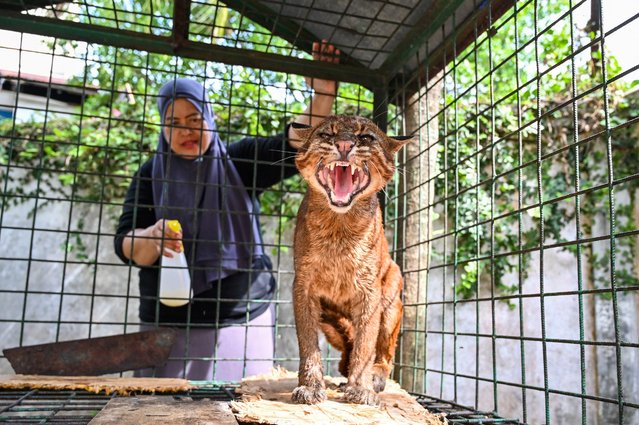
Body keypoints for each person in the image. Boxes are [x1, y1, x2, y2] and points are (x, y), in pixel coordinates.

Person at [113, 41, 339, 381]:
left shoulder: (237, 161)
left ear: (210, 118)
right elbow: (125, 244)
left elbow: (296, 143)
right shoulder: (149, 174)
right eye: (173, 122)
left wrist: (323, 93)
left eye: (194, 118)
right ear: (162, 127)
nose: (186, 130)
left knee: (243, 405)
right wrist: (151, 237)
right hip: (167, 323)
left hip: (242, 316)